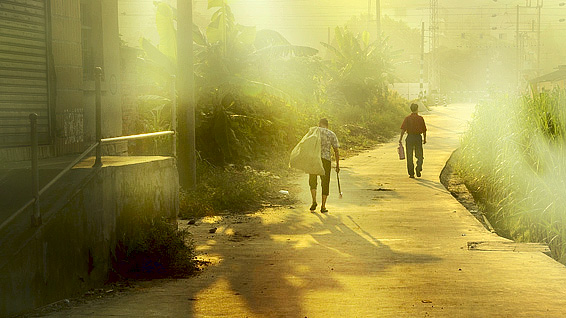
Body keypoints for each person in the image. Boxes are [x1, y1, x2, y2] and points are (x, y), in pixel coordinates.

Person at [309, 118, 340, 213]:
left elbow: (306, 144)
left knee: (313, 179)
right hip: (326, 160)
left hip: (314, 158)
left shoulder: (314, 131)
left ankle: (314, 201)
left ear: (319, 124)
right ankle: (323, 206)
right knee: (325, 182)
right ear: (327, 125)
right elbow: (336, 150)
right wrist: (337, 165)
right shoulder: (331, 134)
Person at [399, 103, 427, 178]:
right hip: (418, 138)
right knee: (420, 155)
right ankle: (418, 168)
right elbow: (424, 130)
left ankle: (411, 173)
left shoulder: (407, 118)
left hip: (410, 137)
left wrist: (400, 139)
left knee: (409, 155)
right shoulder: (420, 118)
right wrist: (424, 139)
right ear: (417, 109)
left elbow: (403, 129)